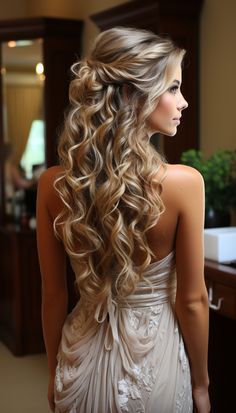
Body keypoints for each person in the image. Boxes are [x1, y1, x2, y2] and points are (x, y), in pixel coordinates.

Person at [36, 27, 210, 413]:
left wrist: (54, 372)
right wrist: (201, 383)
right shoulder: (184, 185)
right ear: (134, 94)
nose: (184, 102)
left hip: (76, 362)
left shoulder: (52, 186)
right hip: (154, 366)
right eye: (173, 88)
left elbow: (53, 297)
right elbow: (193, 301)